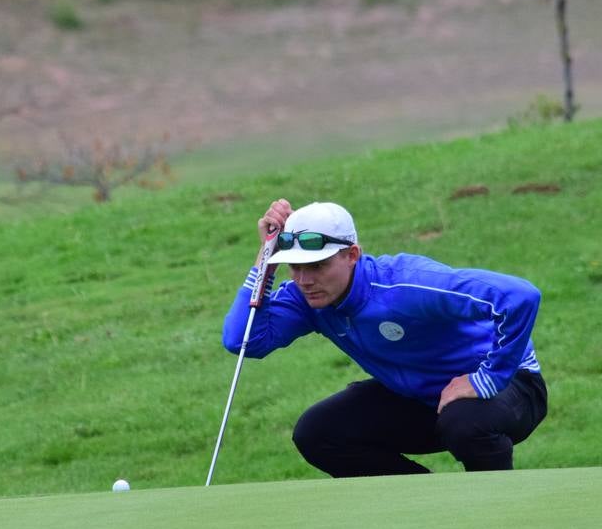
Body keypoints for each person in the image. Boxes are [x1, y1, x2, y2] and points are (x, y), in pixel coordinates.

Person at [221, 199, 549, 477]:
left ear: (351, 255)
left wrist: (486, 380)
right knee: (318, 433)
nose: (305, 279)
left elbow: (519, 296)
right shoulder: (306, 299)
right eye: (295, 267)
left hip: (509, 388)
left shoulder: (405, 285)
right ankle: (428, 504)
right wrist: (265, 259)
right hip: (421, 400)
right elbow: (243, 340)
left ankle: (496, 510)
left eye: (317, 266)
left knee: (464, 423)